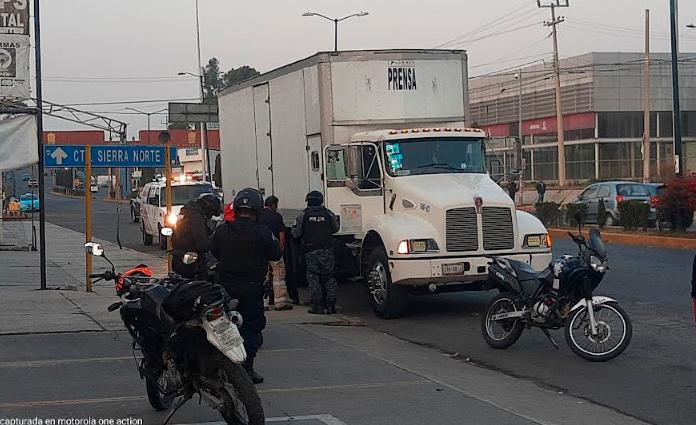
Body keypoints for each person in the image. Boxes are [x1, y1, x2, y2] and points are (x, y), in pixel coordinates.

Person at [210, 188, 281, 384]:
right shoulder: (263, 232)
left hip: (226, 287)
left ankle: (224, 368)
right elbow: (276, 254)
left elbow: (213, 251)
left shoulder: (223, 230)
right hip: (251, 288)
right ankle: (246, 369)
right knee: (250, 327)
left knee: (224, 326)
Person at [292, 191, 340, 314]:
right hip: (327, 250)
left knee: (313, 278)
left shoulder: (304, 215)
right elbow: (335, 228)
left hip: (311, 251)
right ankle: (330, 306)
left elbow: (296, 233)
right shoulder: (328, 213)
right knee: (329, 277)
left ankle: (316, 306)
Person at [170, 193, 222, 279]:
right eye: (211, 214)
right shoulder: (196, 217)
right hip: (192, 263)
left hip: (179, 258)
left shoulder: (186, 211)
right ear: (208, 207)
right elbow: (202, 245)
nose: (210, 217)